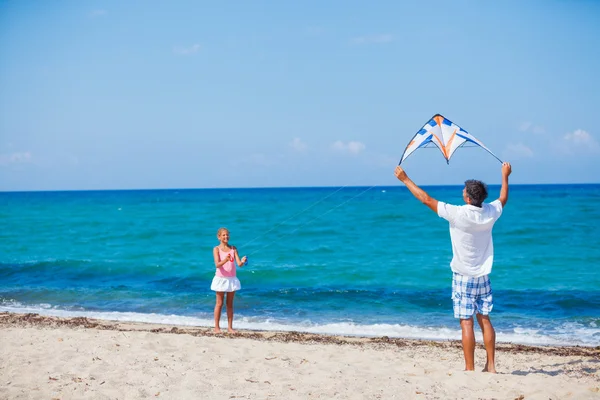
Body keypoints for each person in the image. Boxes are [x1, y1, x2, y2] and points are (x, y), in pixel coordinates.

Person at [394, 162, 512, 373]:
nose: (462, 191)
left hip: (463, 276)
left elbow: (425, 199)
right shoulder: (490, 211)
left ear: (468, 198)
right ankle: (491, 366)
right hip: (483, 276)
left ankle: (470, 369)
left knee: (466, 322)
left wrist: (404, 179)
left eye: (464, 190)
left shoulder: (457, 213)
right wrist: (505, 175)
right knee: (484, 319)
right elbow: (503, 198)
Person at [211, 227, 247, 333]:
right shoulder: (216, 249)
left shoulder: (233, 248)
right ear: (219, 237)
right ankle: (217, 327)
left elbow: (239, 264)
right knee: (219, 303)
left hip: (231, 279)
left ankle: (230, 328)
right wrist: (225, 260)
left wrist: (243, 261)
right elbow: (217, 265)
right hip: (221, 279)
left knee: (230, 304)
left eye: (227, 235)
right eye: (223, 235)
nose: (226, 237)